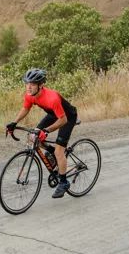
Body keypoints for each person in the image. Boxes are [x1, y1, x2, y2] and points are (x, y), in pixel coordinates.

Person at [6, 68, 79, 198]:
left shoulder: (52, 98)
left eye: (32, 84)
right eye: (27, 83)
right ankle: (51, 153)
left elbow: (63, 120)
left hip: (67, 117)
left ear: (41, 85)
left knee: (59, 151)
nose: (28, 87)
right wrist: (14, 122)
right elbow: (25, 109)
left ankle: (64, 182)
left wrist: (46, 130)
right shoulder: (29, 95)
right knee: (34, 137)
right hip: (53, 114)